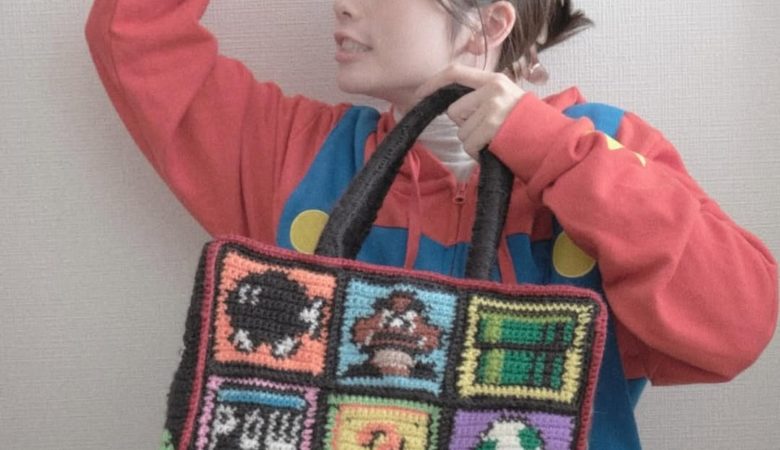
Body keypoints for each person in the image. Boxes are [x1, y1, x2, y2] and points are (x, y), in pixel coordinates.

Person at [85, 0, 778, 448]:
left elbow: (737, 325)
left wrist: (549, 151)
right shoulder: (297, 155)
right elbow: (132, 36)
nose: (342, 5)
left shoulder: (601, 150)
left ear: (488, 22)